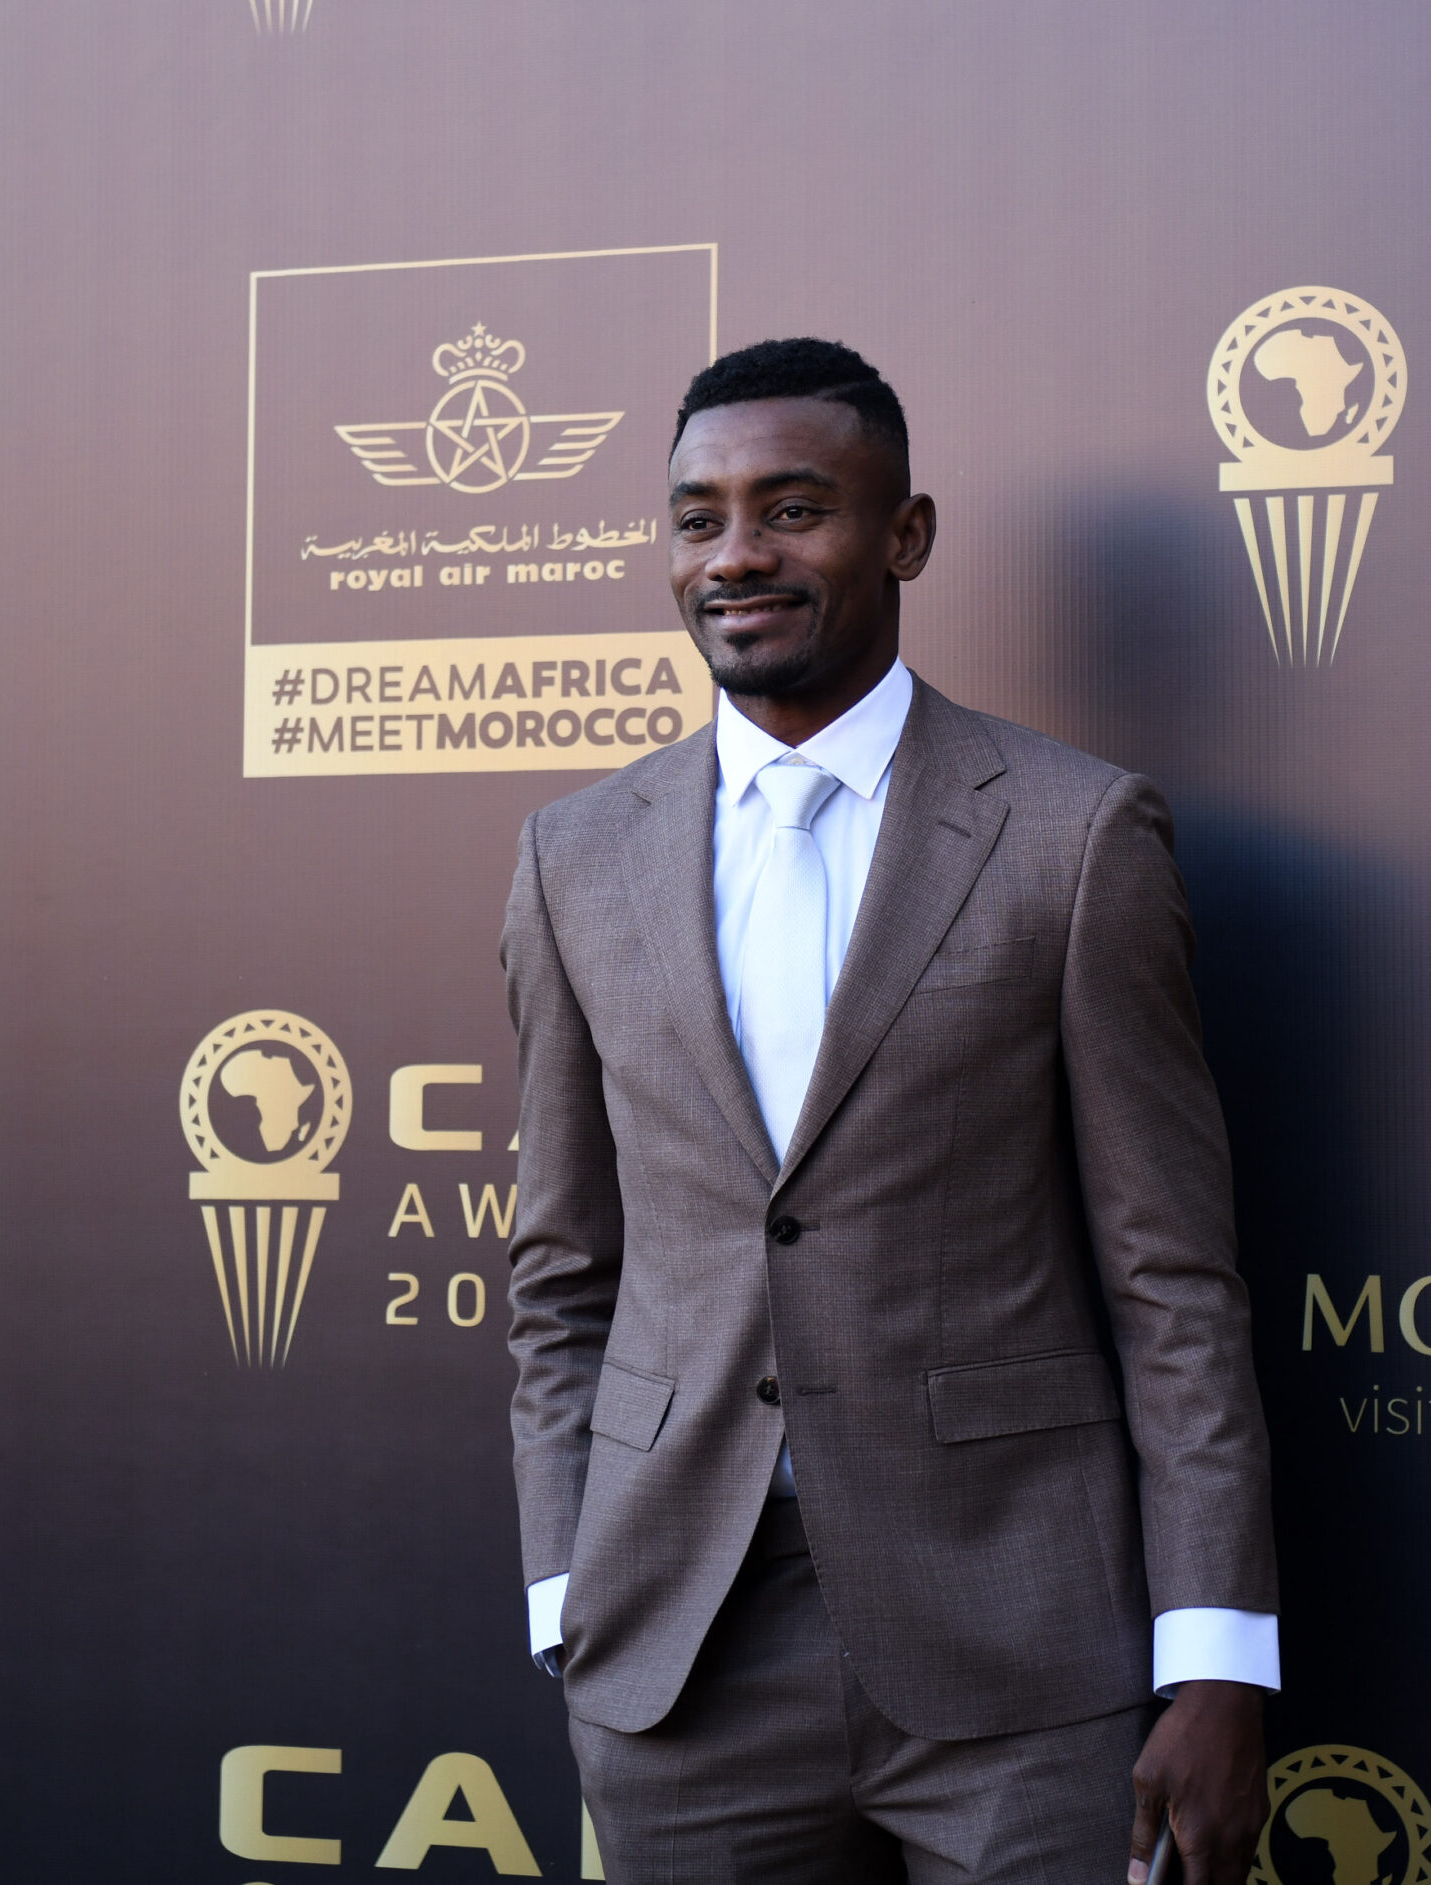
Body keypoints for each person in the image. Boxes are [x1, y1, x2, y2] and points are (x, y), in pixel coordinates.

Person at [502, 337, 1277, 1884]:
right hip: (682, 1656)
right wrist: (564, 1587)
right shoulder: (573, 856)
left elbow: (1171, 1275)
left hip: (1021, 1656)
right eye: (699, 516)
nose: (736, 556)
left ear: (904, 535)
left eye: (793, 510)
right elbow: (559, 1270)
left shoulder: (1074, 835)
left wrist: (1218, 1658)